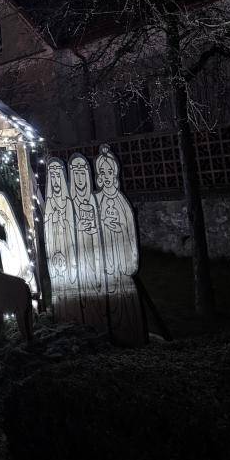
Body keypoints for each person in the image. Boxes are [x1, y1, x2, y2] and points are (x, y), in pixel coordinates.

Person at [94, 144, 147, 345]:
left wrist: (116, 227)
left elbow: (130, 232)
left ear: (115, 174)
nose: (106, 176)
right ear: (98, 176)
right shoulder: (96, 200)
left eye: (110, 172)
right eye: (102, 172)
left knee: (124, 300)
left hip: (121, 259)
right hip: (104, 262)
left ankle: (129, 333)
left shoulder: (122, 202)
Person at [68, 153, 106, 329]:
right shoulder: (68, 204)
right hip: (77, 258)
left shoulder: (96, 201)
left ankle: (99, 322)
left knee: (98, 293)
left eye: (83, 172)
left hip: (97, 256)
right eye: (75, 173)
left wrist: (93, 229)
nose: (80, 178)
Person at [43, 158, 81, 323]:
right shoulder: (49, 205)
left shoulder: (68, 203)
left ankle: (75, 314)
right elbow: (47, 231)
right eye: (52, 177)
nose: (56, 181)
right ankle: (61, 314)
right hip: (55, 253)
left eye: (58, 176)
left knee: (71, 285)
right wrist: (52, 219)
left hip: (68, 250)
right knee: (59, 288)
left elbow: (73, 228)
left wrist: (63, 222)